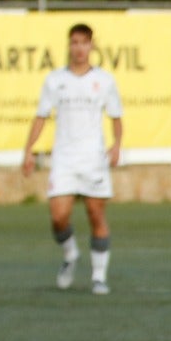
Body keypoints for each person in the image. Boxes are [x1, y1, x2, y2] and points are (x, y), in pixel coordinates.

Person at [20, 23, 123, 295]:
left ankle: (99, 277)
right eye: (75, 43)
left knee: (96, 213)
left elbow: (116, 116)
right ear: (69, 45)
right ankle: (70, 255)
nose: (79, 48)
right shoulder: (55, 80)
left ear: (91, 46)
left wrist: (117, 146)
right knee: (58, 217)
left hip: (93, 159)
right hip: (64, 158)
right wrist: (29, 149)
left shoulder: (104, 80)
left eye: (84, 43)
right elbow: (41, 116)